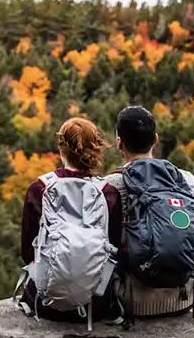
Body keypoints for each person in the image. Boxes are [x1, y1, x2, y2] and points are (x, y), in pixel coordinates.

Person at [104, 105, 194, 323]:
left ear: (119, 143)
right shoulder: (187, 180)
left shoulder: (110, 185)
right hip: (184, 298)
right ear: (156, 140)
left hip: (132, 302)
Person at [17, 117, 121, 324]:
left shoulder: (39, 188)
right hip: (95, 304)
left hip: (45, 303)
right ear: (95, 150)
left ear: (61, 150)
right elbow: (115, 251)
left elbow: (28, 253)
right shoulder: (108, 193)